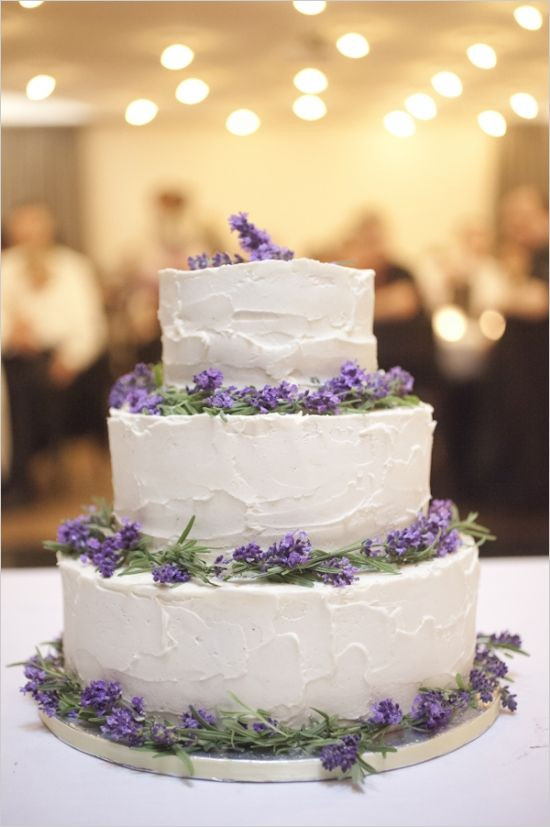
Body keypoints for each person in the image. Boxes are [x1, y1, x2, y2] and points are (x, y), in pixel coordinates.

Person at [1, 202, 109, 506]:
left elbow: (91, 325)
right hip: (14, 357)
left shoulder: (74, 267)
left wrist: (70, 359)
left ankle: (29, 466)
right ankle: (16, 472)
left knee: (33, 384)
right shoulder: (5, 268)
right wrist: (12, 333)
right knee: (18, 384)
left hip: (62, 360)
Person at [339, 211, 435, 386]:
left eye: (377, 242)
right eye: (367, 243)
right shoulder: (350, 277)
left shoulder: (401, 274)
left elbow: (404, 304)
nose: (374, 250)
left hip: (406, 367)